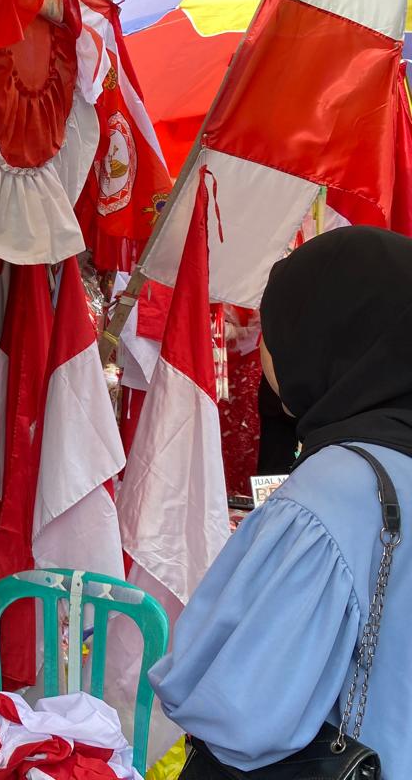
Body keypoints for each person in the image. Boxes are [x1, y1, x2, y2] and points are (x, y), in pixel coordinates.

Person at [150, 226, 412, 775]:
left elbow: (238, 710)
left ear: (323, 336)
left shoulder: (335, 490)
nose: (268, 351)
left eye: (276, 327)